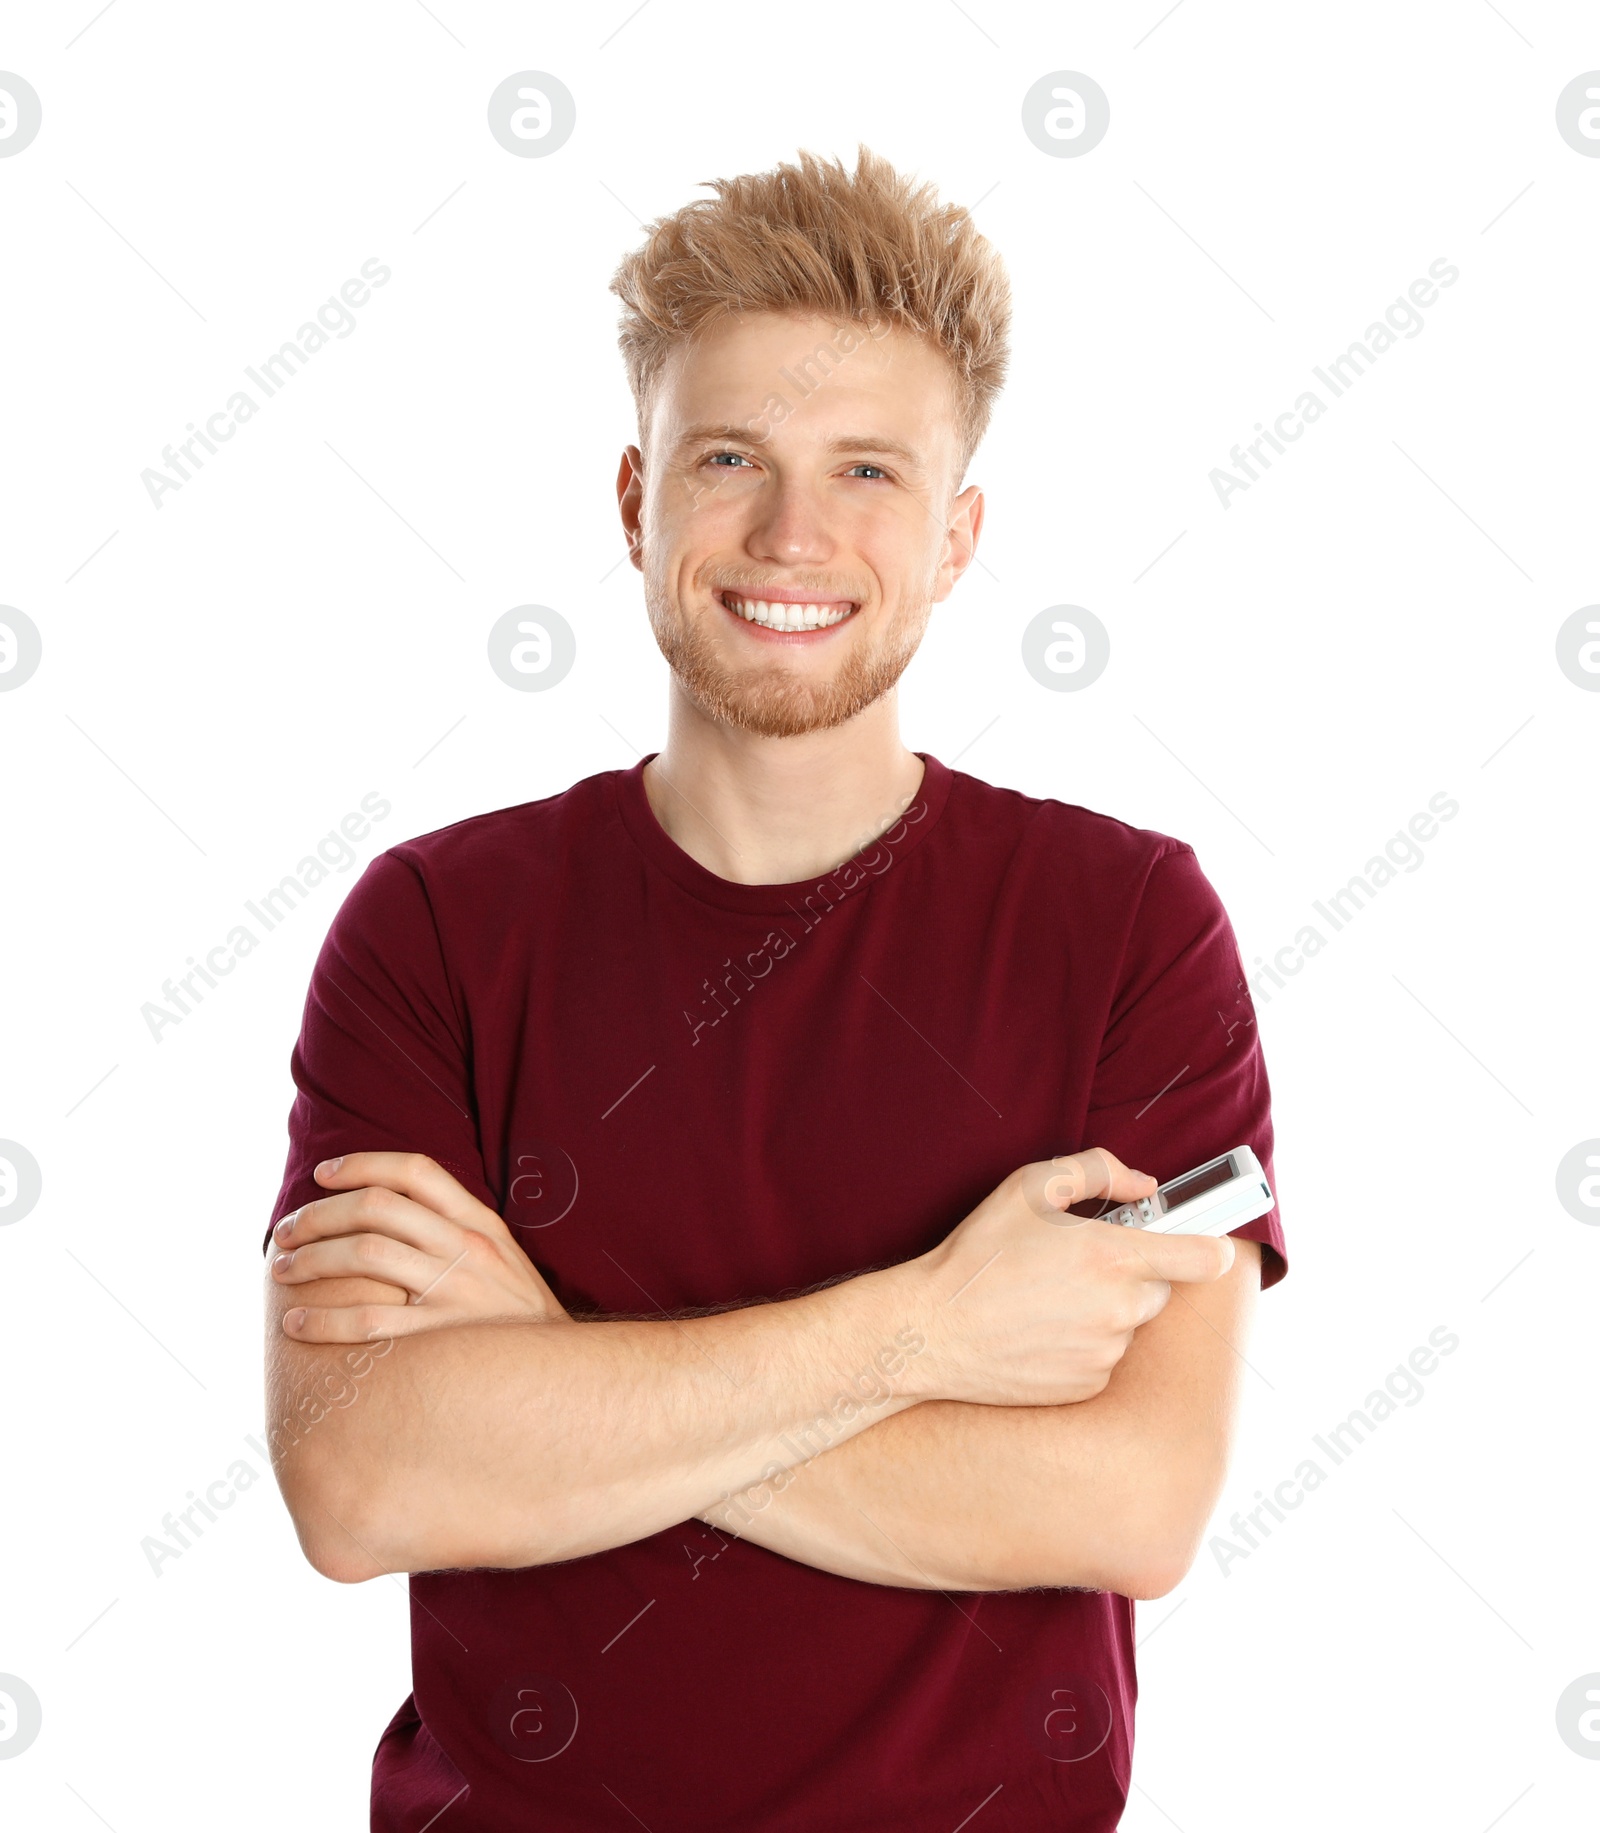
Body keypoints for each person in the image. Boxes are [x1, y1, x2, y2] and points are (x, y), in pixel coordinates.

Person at [262, 144, 1287, 1832]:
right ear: (633, 500)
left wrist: (549, 1368)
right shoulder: (436, 923)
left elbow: (1132, 1503)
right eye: (729, 455)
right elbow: (364, 1479)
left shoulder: (1128, 925)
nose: (793, 533)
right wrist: (928, 1331)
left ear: (956, 538)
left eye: (867, 470)